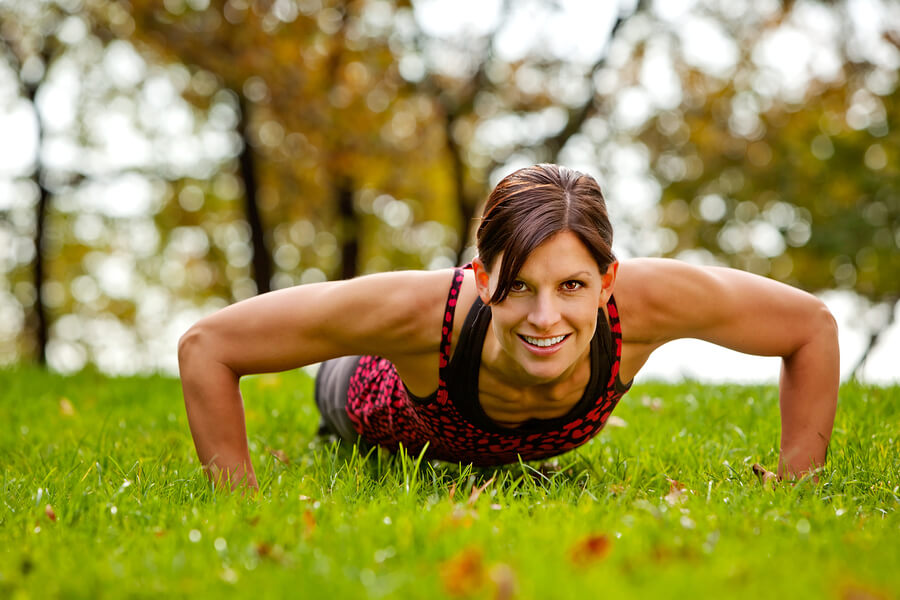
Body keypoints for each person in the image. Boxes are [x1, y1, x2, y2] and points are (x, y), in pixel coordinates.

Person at [177, 164, 839, 490]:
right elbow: (208, 346)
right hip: (366, 396)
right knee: (341, 392)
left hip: (503, 441)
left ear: (606, 281)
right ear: (483, 278)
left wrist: (798, 484)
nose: (545, 318)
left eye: (572, 286)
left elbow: (810, 326)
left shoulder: (651, 303)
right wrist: (240, 501)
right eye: (518, 285)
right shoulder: (415, 310)